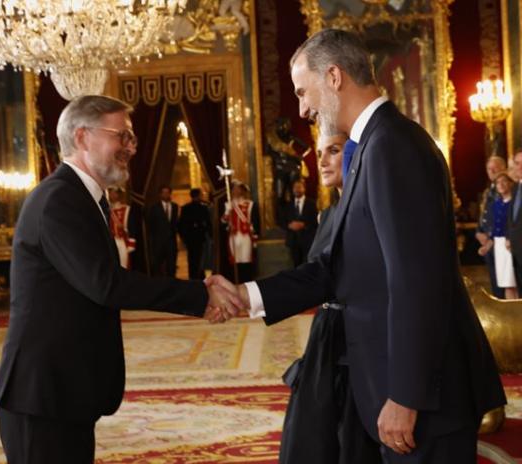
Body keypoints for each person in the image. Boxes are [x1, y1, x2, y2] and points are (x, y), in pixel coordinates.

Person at [207, 29, 505, 462]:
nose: (303, 108)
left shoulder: (392, 146)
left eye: (302, 91)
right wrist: (245, 295)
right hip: (397, 386)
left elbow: (415, 282)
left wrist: (406, 396)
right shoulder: (373, 146)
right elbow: (336, 268)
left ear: (333, 77)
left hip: (423, 399)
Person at [0, 95, 237, 463]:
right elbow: (105, 284)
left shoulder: (84, 198)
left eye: (132, 138)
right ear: (83, 136)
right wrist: (199, 296)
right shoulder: (59, 199)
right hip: (40, 394)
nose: (131, 147)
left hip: (64, 390)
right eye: (122, 136)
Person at [279, 130, 381, 463]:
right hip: (325, 335)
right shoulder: (328, 214)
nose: (321, 161)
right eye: (320, 152)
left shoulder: (370, 211)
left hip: (356, 339)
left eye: (333, 151)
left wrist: (250, 295)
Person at [475, 156, 507, 298]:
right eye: (489, 168)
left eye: (495, 168)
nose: (492, 171)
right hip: (487, 242)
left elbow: (504, 217)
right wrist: (478, 232)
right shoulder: (489, 190)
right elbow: (483, 214)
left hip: (500, 241)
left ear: (503, 168)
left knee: (505, 285)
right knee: (495, 282)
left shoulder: (505, 189)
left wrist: (490, 238)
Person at [222, 181, 260, 283]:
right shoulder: (228, 204)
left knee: (246, 260)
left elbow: (255, 221)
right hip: (233, 236)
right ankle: (236, 282)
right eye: (234, 189)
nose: (236, 191)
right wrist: (227, 212)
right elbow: (223, 222)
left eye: (238, 189)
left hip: (246, 236)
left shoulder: (250, 204)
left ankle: (247, 282)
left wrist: (255, 234)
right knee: (235, 261)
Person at [178, 188, 212, 279]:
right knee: (198, 258)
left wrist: (183, 237)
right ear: (197, 196)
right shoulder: (202, 208)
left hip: (195, 238)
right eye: (201, 195)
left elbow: (180, 225)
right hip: (195, 238)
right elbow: (181, 224)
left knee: (194, 259)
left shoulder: (188, 208)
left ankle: (195, 276)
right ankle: (198, 276)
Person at [283, 180, 318, 267]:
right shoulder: (288, 205)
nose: (297, 189)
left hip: (307, 240)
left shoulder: (311, 204)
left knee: (307, 265)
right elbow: (282, 220)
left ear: (304, 189)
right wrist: (289, 225)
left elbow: (315, 221)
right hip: (293, 241)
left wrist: (304, 225)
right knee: (295, 266)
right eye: (295, 187)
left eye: (299, 187)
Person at [147, 185, 178, 276]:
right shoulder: (154, 208)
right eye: (164, 192)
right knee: (157, 266)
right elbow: (150, 225)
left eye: (168, 192)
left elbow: (175, 224)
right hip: (158, 242)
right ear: (160, 194)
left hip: (171, 242)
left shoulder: (175, 206)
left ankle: (172, 285)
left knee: (171, 266)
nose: (166, 194)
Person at [107, 186, 136, 269]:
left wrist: (131, 244)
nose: (111, 195)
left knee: (123, 266)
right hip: (110, 242)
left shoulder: (126, 209)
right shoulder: (106, 209)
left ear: (118, 195)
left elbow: (132, 227)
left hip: (122, 241)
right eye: (110, 192)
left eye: (114, 192)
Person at [506, 150, 522, 295]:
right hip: (516, 249)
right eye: (517, 163)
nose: (520, 167)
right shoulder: (516, 187)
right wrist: (509, 237)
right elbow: (513, 217)